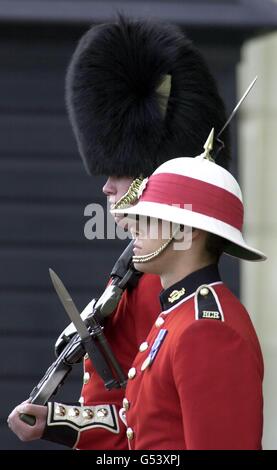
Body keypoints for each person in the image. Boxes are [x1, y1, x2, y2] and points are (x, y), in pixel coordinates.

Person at [7, 16, 230, 449]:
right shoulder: (137, 267)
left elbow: (148, 427)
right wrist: (57, 421)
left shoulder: (161, 286)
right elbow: (135, 415)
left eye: (121, 168)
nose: (106, 185)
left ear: (153, 176)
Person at [112, 132, 266, 450]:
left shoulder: (207, 329)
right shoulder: (177, 314)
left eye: (150, 217)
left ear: (188, 232)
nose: (135, 225)